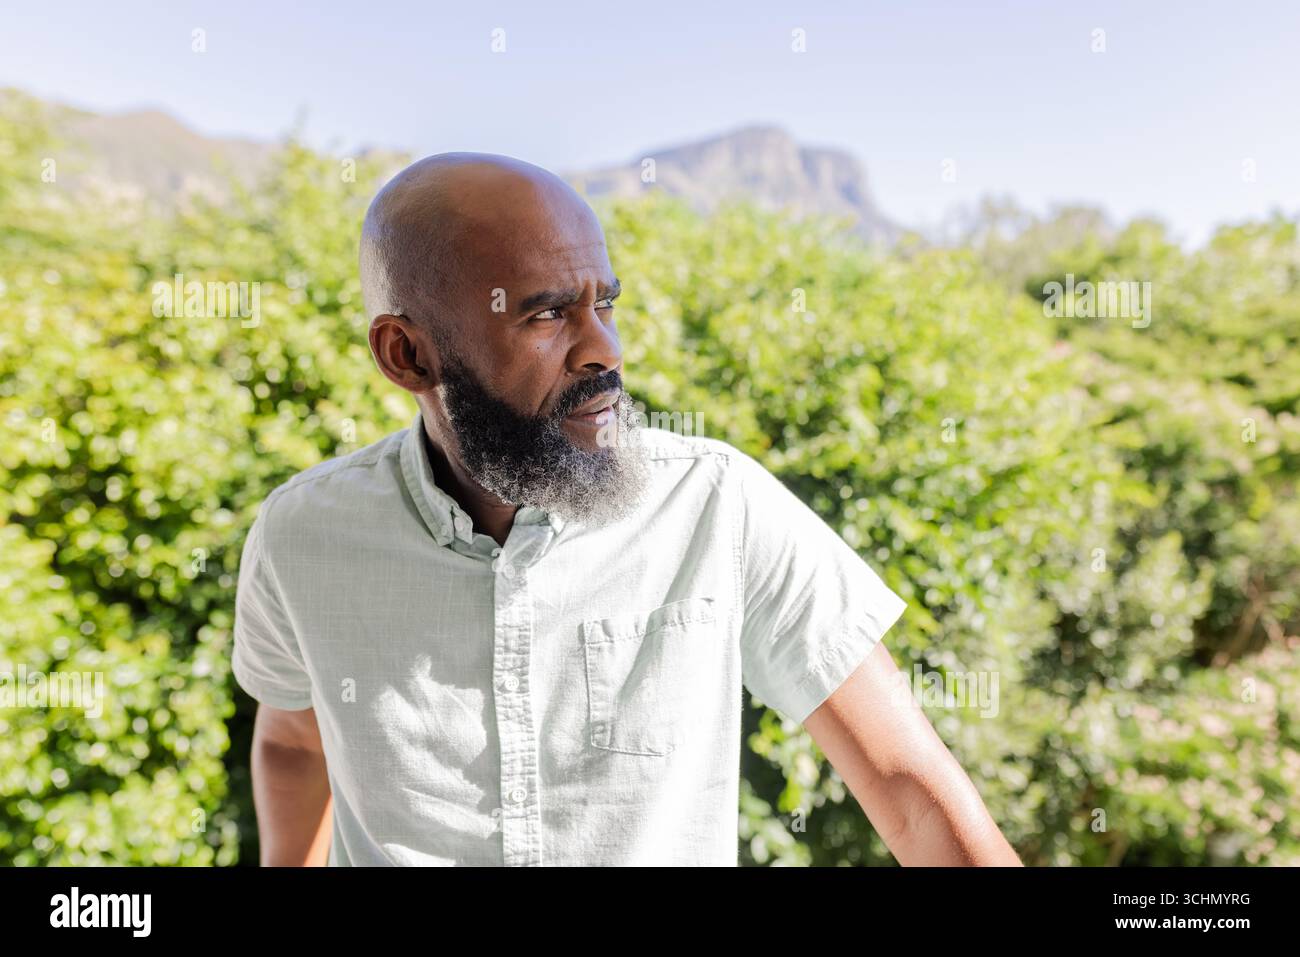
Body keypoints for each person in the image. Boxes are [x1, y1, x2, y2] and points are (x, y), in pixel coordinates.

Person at [232, 152, 1022, 866]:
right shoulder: (302, 536)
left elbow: (915, 796)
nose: (604, 349)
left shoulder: (717, 505)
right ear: (407, 354)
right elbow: (297, 742)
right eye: (546, 314)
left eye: (603, 303)